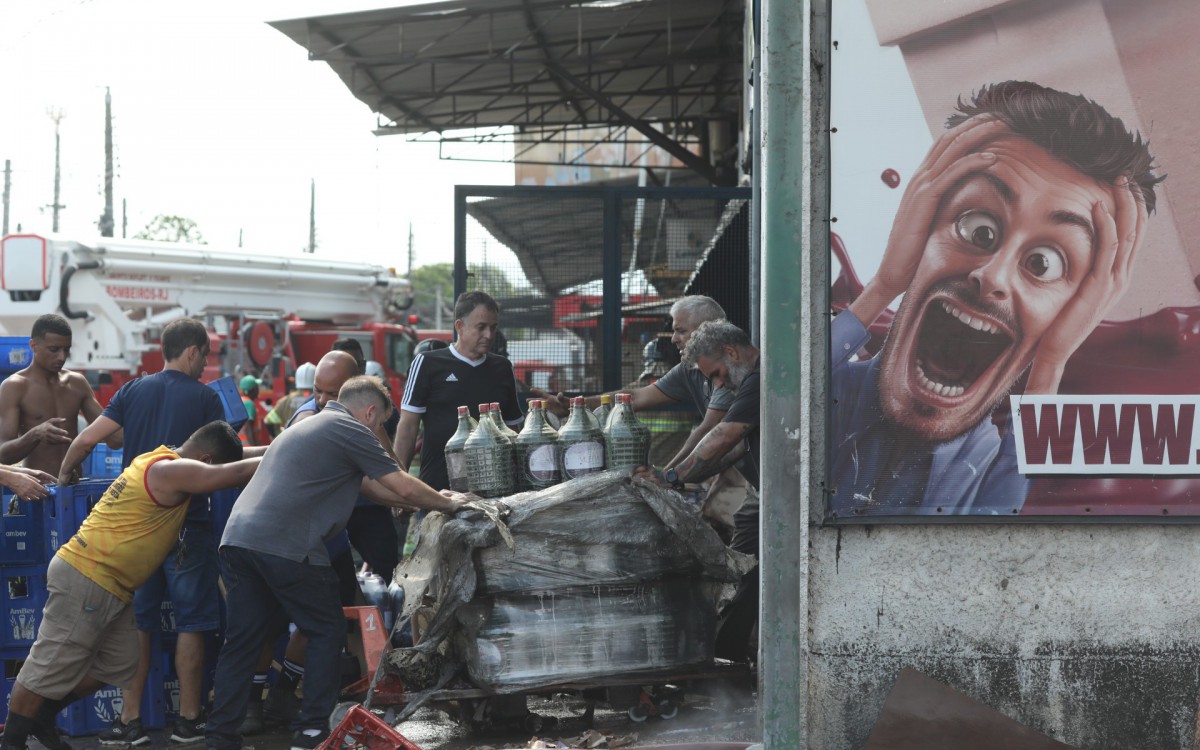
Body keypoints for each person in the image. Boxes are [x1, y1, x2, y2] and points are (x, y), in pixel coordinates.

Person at [831, 81, 1159, 516]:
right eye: (978, 229)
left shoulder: (999, 469)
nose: (992, 276)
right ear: (919, 228)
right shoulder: (828, 392)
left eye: (1043, 264)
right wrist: (885, 284)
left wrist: (1051, 362)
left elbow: (1003, 540)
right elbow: (760, 406)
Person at [205, 376, 469, 750]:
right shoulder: (350, 428)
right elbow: (400, 481)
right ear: (371, 412)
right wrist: (451, 504)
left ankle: (220, 738)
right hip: (286, 544)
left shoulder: (311, 425)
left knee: (243, 640)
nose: (378, 433)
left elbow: (375, 487)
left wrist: (424, 499)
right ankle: (312, 729)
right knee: (327, 629)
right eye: (379, 426)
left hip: (239, 541)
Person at [58, 318, 260, 746]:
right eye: (204, 355)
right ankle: (189, 720)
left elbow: (88, 439)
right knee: (193, 623)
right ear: (192, 352)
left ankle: (130, 720)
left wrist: (65, 478)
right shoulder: (206, 398)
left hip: (138, 535)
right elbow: (222, 462)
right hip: (189, 528)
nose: (205, 364)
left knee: (140, 624)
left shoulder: (133, 389)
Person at [0, 422, 258, 750]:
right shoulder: (168, 470)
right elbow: (232, 474)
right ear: (205, 460)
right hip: (88, 577)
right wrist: (286, 455)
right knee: (46, 664)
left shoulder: (159, 457)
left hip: (112, 585)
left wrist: (279, 447)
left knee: (122, 662)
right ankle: (12, 741)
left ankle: (43, 714)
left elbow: (239, 461)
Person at [637, 320, 760, 662]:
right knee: (743, 572)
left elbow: (724, 436)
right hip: (763, 495)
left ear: (731, 352)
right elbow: (732, 451)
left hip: (786, 497)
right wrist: (673, 479)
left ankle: (732, 657)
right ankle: (727, 658)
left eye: (718, 374)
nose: (718, 384)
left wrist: (672, 475)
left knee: (751, 574)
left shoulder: (760, 378)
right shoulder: (745, 382)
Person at [536, 295, 733, 469]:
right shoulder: (689, 370)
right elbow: (636, 396)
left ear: (705, 330)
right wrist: (576, 406)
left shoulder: (731, 372)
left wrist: (668, 476)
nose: (673, 339)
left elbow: (708, 430)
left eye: (681, 331)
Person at [395, 291, 523, 491]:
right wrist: (399, 485)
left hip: (494, 490)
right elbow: (408, 427)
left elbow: (514, 429)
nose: (489, 335)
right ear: (459, 326)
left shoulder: (503, 368)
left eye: (493, 327)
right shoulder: (428, 363)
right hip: (439, 490)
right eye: (481, 327)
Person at [0, 314, 119, 476]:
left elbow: (114, 439)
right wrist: (34, 435)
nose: (62, 357)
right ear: (33, 345)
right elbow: (3, 455)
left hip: (75, 488)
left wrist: (140, 402)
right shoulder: (14, 387)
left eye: (66, 350)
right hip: (37, 491)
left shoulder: (77, 383)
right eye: (54, 350)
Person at [263, 362, 315, 439]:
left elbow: (269, 421)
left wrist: (279, 438)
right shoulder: (320, 400)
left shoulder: (286, 400)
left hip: (290, 443)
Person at [236, 376, 265, 446]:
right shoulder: (249, 403)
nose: (258, 389)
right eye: (257, 387)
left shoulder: (240, 401)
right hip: (247, 447)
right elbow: (248, 427)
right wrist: (254, 449)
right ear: (253, 390)